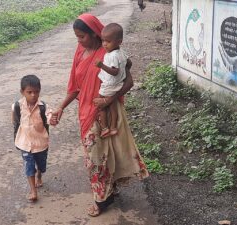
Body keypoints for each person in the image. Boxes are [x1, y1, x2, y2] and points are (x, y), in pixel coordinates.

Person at [52, 13, 149, 217]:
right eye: (77, 37)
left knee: (97, 157)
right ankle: (109, 191)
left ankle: (101, 200)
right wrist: (61, 107)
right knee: (98, 155)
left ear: (96, 35)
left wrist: (108, 100)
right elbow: (75, 87)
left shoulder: (113, 56)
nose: (79, 41)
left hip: (106, 111)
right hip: (85, 112)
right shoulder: (80, 52)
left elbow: (128, 82)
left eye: (82, 37)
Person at [12, 74, 55, 203]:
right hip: (25, 143)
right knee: (28, 166)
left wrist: (52, 119)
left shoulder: (43, 107)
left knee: (41, 165)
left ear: (39, 91)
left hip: (41, 143)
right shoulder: (17, 106)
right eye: (29, 92)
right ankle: (33, 191)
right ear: (22, 92)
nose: (33, 95)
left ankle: (40, 176)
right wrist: (16, 137)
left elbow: (50, 116)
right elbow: (15, 122)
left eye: (36, 92)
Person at [95, 23, 127, 138]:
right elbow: (129, 63)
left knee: (101, 105)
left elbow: (115, 71)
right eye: (103, 40)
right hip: (117, 84)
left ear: (119, 41)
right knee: (112, 106)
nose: (104, 44)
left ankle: (104, 128)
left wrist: (101, 65)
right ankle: (113, 127)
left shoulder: (112, 55)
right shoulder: (121, 52)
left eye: (108, 41)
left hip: (109, 84)